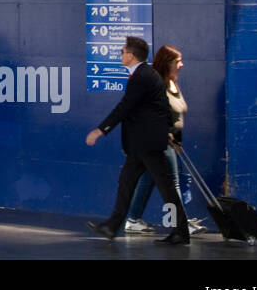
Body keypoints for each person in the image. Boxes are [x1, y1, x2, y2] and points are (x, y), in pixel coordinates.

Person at [86, 36, 190, 245]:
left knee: (166, 186)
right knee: (127, 182)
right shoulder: (146, 75)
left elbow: (125, 107)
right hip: (143, 144)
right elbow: (161, 108)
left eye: (123, 51)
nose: (121, 54)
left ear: (131, 56)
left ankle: (181, 232)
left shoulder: (142, 77)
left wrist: (100, 130)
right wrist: (170, 133)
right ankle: (112, 226)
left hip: (147, 144)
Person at [124, 45, 204, 234]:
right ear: (167, 63)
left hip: (170, 141)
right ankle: (181, 224)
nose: (182, 64)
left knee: (148, 179)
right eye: (178, 61)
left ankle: (133, 220)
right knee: (172, 182)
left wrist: (178, 140)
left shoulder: (173, 83)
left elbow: (176, 117)